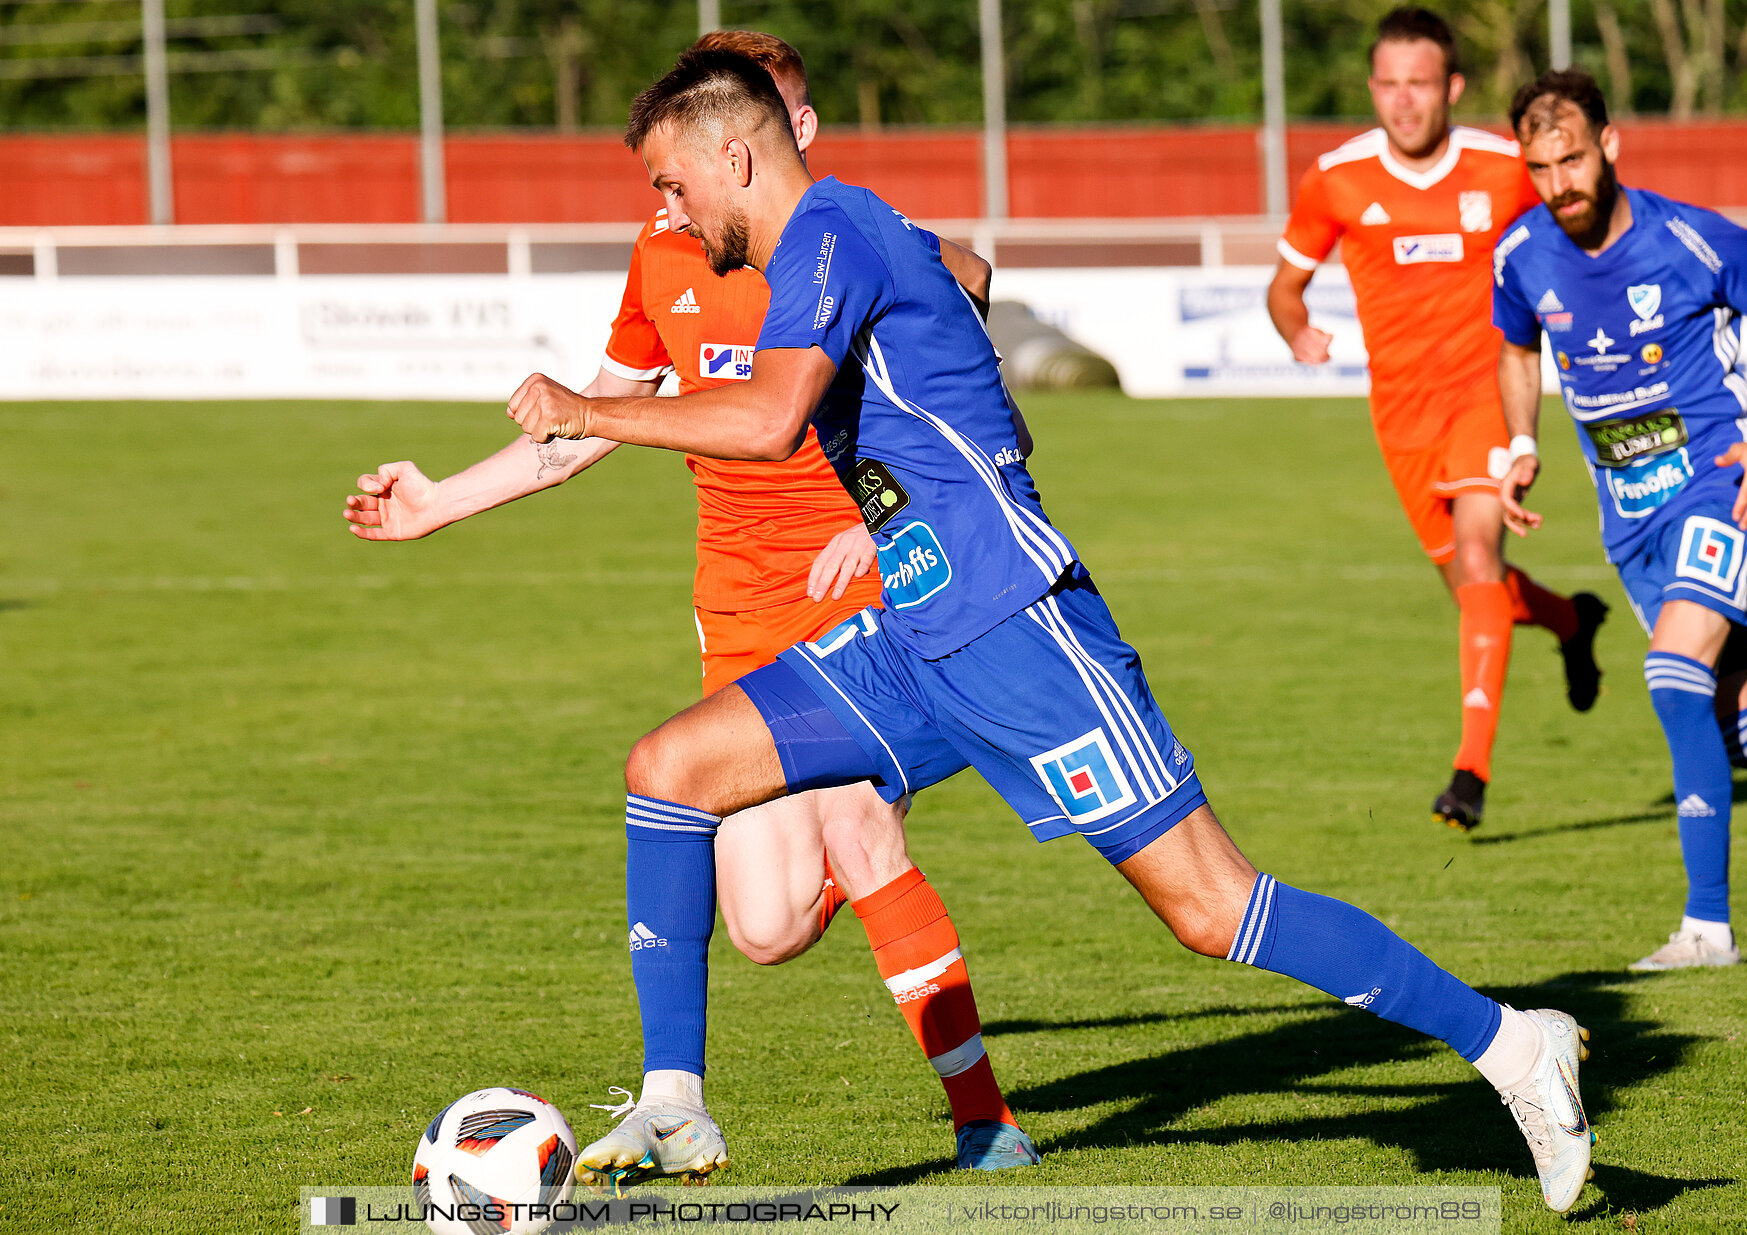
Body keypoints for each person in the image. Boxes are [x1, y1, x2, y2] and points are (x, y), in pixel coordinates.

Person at [507, 46, 1598, 1214]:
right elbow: (968, 327)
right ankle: (674, 1101)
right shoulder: (837, 242)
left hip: (1021, 628)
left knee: (1212, 907)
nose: (664, 208)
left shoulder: (828, 228)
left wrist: (589, 410)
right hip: (911, 631)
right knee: (669, 771)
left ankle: (1513, 1046)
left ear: (735, 154)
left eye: (673, 182)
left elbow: (776, 418)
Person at [343, 31, 1038, 1180]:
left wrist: (879, 515)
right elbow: (586, 426)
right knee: (764, 926)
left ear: (780, 133)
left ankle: (985, 1119)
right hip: (739, 609)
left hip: (864, 589)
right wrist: (435, 505)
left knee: (862, 828)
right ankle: (861, 844)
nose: (676, 193)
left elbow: (968, 283)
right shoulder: (665, 249)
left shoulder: (837, 233)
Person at [1267, 7, 1607, 831]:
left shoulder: (1502, 166)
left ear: (1452, 86)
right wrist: (1296, 328)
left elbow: (1582, 218)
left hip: (1490, 393)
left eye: (1419, 83)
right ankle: (1571, 618)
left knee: (1482, 552)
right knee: (1472, 590)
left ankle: (1470, 773)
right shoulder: (1336, 178)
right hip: (1401, 418)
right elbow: (1284, 286)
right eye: (1388, 83)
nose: (1403, 101)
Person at [1491, 68, 1747, 972]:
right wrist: (1520, 442)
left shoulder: (1690, 240)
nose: (1561, 183)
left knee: (1672, 670)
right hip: (1628, 517)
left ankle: (1707, 929)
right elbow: (1516, 348)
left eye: (1575, 158)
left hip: (1720, 484)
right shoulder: (1520, 255)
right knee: (1744, 732)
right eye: (1541, 166)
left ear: (1611, 145)